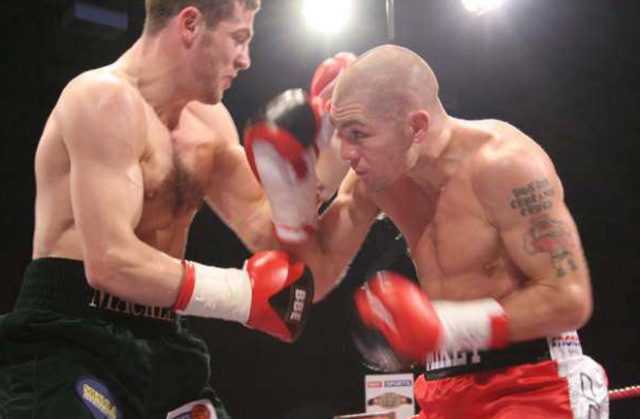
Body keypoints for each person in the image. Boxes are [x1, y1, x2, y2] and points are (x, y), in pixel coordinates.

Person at [0, 1, 347, 418]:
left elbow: (272, 234)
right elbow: (110, 261)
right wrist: (239, 295)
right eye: (239, 39)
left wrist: (328, 157)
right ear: (190, 24)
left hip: (162, 335)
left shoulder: (210, 121)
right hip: (71, 335)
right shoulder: (102, 99)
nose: (246, 59)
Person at [248, 44, 609, 418]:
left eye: (359, 134)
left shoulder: (505, 166)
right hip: (443, 386)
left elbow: (570, 297)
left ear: (416, 126)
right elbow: (315, 279)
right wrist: (288, 195)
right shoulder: (373, 182)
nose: (348, 154)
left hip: (534, 380)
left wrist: (445, 327)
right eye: (341, 134)